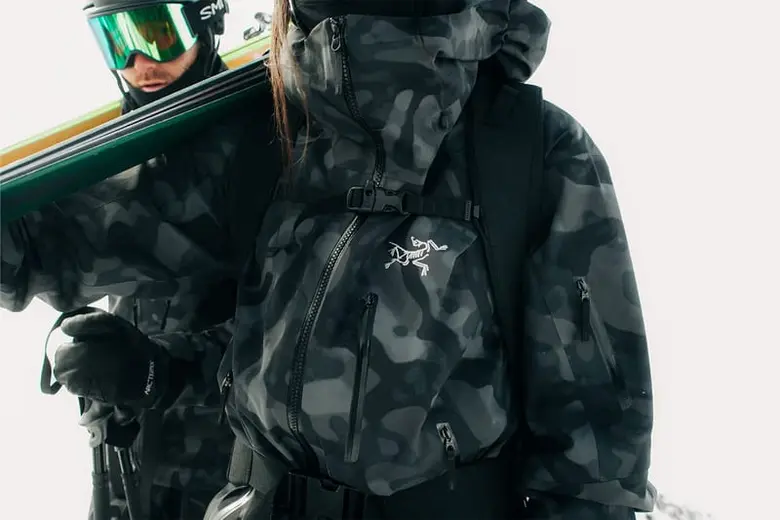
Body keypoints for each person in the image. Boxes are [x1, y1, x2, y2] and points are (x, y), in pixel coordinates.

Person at [3, 0, 655, 518]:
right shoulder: (264, 135)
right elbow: (55, 241)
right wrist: (159, 368)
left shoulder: (530, 153)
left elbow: (593, 463)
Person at [16, 1, 275, 518]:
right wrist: (99, 345)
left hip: (238, 469)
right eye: (117, 40)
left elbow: (294, 333)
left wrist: (164, 370)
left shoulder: (261, 141)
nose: (139, 63)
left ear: (206, 21)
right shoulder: (127, 140)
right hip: (134, 458)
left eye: (157, 33)